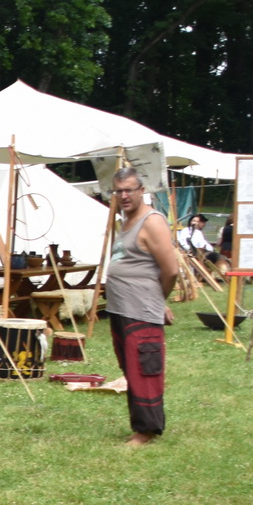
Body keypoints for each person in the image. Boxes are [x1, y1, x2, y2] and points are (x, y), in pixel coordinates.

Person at [102, 167, 180, 446]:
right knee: (130, 368)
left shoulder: (152, 221)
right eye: (118, 191)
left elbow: (170, 270)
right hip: (121, 307)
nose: (123, 196)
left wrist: (159, 302)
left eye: (129, 190)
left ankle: (147, 431)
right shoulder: (125, 221)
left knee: (146, 369)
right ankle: (140, 426)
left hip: (141, 309)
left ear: (141, 190)